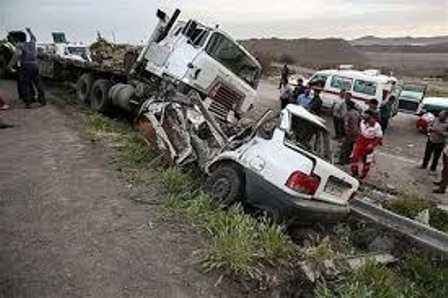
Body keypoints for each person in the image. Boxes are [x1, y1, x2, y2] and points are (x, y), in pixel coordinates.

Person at [8, 27, 46, 108]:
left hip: (26, 66)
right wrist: (29, 31)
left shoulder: (19, 45)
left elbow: (17, 55)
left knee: (26, 84)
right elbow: (33, 38)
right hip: (35, 65)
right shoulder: (32, 43)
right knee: (38, 83)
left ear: (17, 39)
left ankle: (28, 102)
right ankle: (42, 100)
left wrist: (10, 65)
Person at [350, 110, 383, 179]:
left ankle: (363, 175)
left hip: (369, 144)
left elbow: (379, 138)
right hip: (360, 142)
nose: (364, 116)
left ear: (372, 117)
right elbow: (360, 131)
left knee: (367, 160)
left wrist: (372, 145)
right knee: (354, 157)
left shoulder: (377, 126)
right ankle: (354, 172)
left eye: (366, 115)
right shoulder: (362, 122)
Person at [339, 100, 361, 165]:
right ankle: (347, 160)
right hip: (356, 132)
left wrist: (346, 132)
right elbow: (359, 123)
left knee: (344, 146)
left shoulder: (348, 113)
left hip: (350, 132)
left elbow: (346, 124)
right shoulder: (357, 113)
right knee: (351, 147)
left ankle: (342, 160)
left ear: (348, 106)